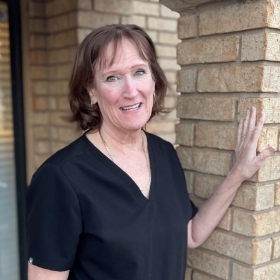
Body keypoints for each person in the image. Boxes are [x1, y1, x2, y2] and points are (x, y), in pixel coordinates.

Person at [26, 24, 275, 280]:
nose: (131, 90)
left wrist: (237, 175)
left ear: (153, 80)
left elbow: (190, 234)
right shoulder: (60, 178)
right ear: (91, 91)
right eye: (113, 77)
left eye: (139, 72)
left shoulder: (164, 154)